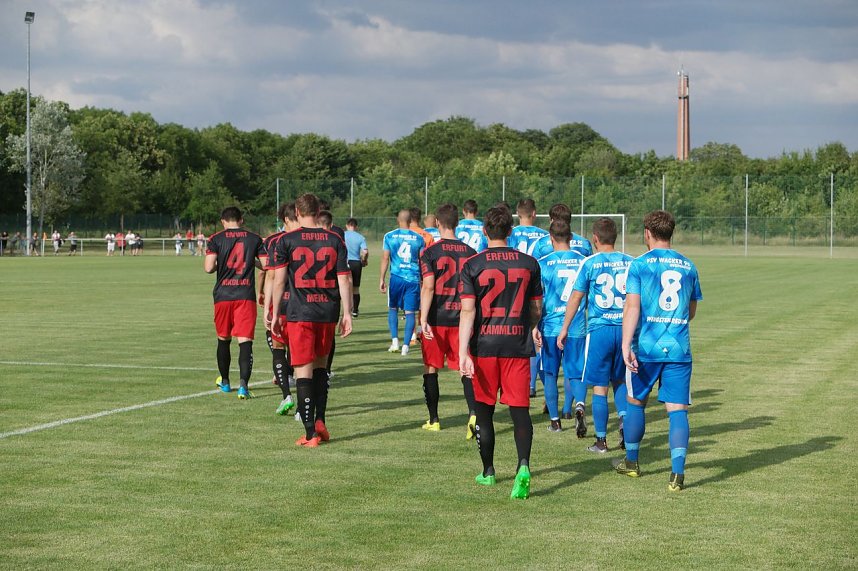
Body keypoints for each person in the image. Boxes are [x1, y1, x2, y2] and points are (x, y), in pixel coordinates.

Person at [459, 206, 543, 500]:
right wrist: (532, 328)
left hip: (484, 347)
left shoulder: (472, 264)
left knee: (484, 412)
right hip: (517, 346)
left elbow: (468, 310)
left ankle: (489, 471)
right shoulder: (529, 263)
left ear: (484, 231)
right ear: (511, 231)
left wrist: (462, 352)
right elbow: (536, 308)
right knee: (519, 411)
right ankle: (523, 466)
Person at [615, 210, 702, 492]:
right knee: (677, 411)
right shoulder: (688, 266)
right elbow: (691, 310)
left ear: (648, 233)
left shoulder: (639, 265)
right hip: (679, 349)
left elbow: (632, 306)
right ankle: (677, 475)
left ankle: (632, 462)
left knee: (635, 402)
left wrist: (626, 344)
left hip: (646, 347)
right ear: (671, 233)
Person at [270, 193, 353, 447]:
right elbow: (344, 279)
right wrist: (347, 313)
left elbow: (279, 279)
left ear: (296, 211)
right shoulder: (335, 239)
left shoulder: (287, 240)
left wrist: (274, 313)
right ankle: (320, 421)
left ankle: (309, 434)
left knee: (303, 370)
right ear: (318, 211)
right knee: (321, 369)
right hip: (327, 312)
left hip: (300, 312)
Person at [558, 217, 633, 452]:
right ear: (616, 237)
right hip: (624, 330)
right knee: (620, 382)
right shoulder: (631, 262)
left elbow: (576, 298)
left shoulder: (590, 263)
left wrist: (565, 328)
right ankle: (623, 421)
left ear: (595, 239)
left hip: (599, 331)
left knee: (600, 387)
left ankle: (601, 440)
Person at [418, 203, 477, 434]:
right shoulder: (471, 252)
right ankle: (473, 414)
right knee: (465, 368)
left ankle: (434, 419)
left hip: (436, 317)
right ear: (457, 224)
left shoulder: (429, 252)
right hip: (462, 318)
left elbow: (429, 287)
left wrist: (423, 318)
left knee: (431, 368)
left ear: (438, 224)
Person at [204, 206, 266, 400]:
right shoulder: (255, 238)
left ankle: (225, 381)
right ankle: (244, 387)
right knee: (245, 341)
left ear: (223, 221)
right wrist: (250, 262)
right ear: (241, 219)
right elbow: (266, 265)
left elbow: (208, 268)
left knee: (223, 338)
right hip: (245, 294)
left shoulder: (215, 239)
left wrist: (220, 264)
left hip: (223, 295)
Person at [534, 220, 587, 434]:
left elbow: (538, 299)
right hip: (576, 325)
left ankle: (555, 421)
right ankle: (580, 405)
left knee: (550, 374)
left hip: (551, 326)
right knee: (576, 373)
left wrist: (535, 325)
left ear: (551, 238)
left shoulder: (542, 263)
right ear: (571, 238)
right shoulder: (584, 261)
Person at [508, 198, 549, 398]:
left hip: (514, 284)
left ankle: (516, 381)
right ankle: (532, 384)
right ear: (534, 214)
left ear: (517, 214)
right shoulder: (544, 236)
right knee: (536, 334)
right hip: (536, 285)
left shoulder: (511, 233)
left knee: (515, 333)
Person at [262, 202, 298, 416]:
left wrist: (267, 307)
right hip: (306, 304)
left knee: (278, 349)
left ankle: (286, 395)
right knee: (304, 356)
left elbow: (271, 275)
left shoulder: (275, 240)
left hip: (282, 304)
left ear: (284, 219)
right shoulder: (316, 238)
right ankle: (306, 409)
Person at [380, 209, 424, 356]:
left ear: (398, 220)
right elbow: (422, 261)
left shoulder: (389, 236)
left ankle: (394, 342)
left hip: (396, 279)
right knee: (410, 312)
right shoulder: (419, 238)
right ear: (411, 220)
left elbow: (385, 258)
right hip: (412, 279)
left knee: (393, 308)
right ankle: (406, 346)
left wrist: (382, 278)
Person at [344, 218, 369, 318]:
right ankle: (355, 310)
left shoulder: (342, 235)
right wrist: (364, 260)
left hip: (344, 262)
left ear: (347, 225)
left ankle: (345, 310)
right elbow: (365, 251)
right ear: (356, 226)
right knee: (355, 289)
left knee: (344, 287)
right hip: (356, 263)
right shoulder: (360, 237)